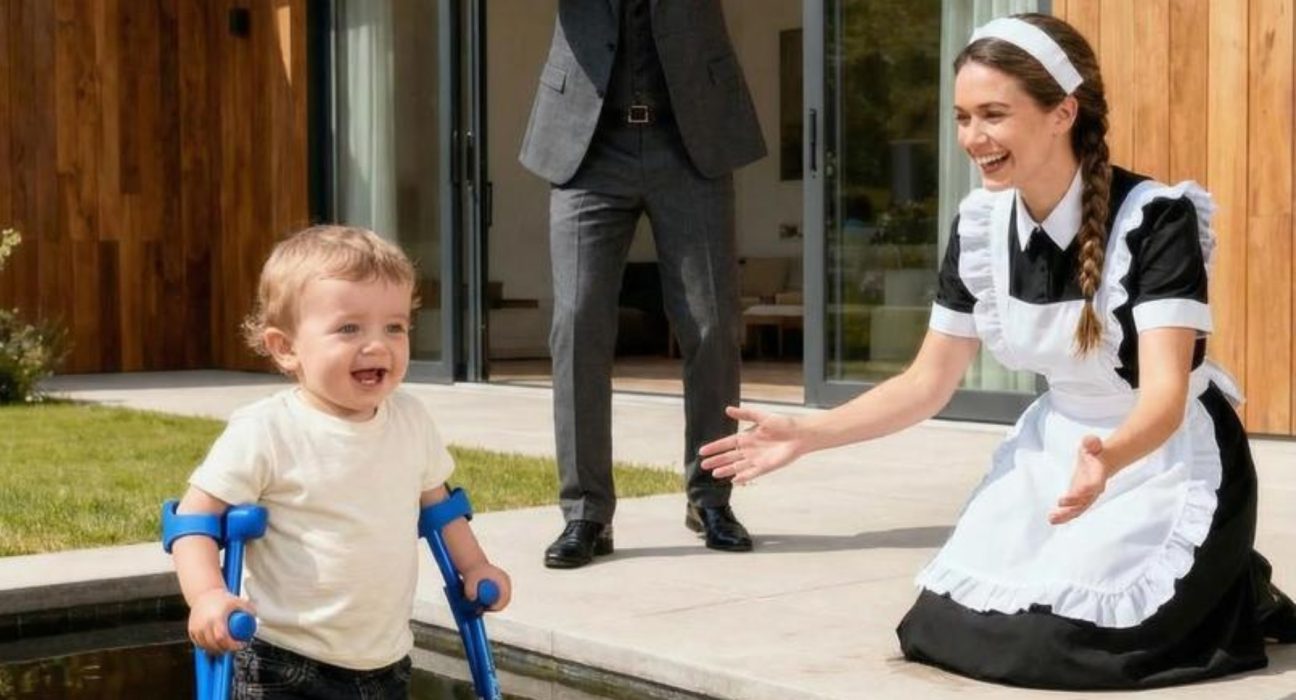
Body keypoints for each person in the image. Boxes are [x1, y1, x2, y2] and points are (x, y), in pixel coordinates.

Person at [700, 13, 1295, 690]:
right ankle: (1230, 583)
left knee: (1063, 649)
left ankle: (1229, 580)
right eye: (961, 118)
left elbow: (1164, 396)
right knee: (938, 627)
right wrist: (810, 433)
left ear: (1062, 113)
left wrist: (1108, 461)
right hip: (1061, 452)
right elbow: (927, 382)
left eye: (993, 115)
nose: (972, 138)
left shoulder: (1154, 219)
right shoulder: (981, 227)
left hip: (1157, 454)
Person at [169, 226, 512, 698]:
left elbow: (441, 509)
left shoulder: (410, 420)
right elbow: (193, 521)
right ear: (286, 347)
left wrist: (475, 567)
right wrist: (208, 595)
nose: (378, 345)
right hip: (284, 661)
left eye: (394, 327)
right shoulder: (267, 430)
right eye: (350, 328)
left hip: (386, 661)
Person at [519, 0, 767, 568]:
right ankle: (586, 512)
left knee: (711, 324)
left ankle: (710, 498)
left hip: (689, 141)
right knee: (577, 324)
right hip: (588, 147)